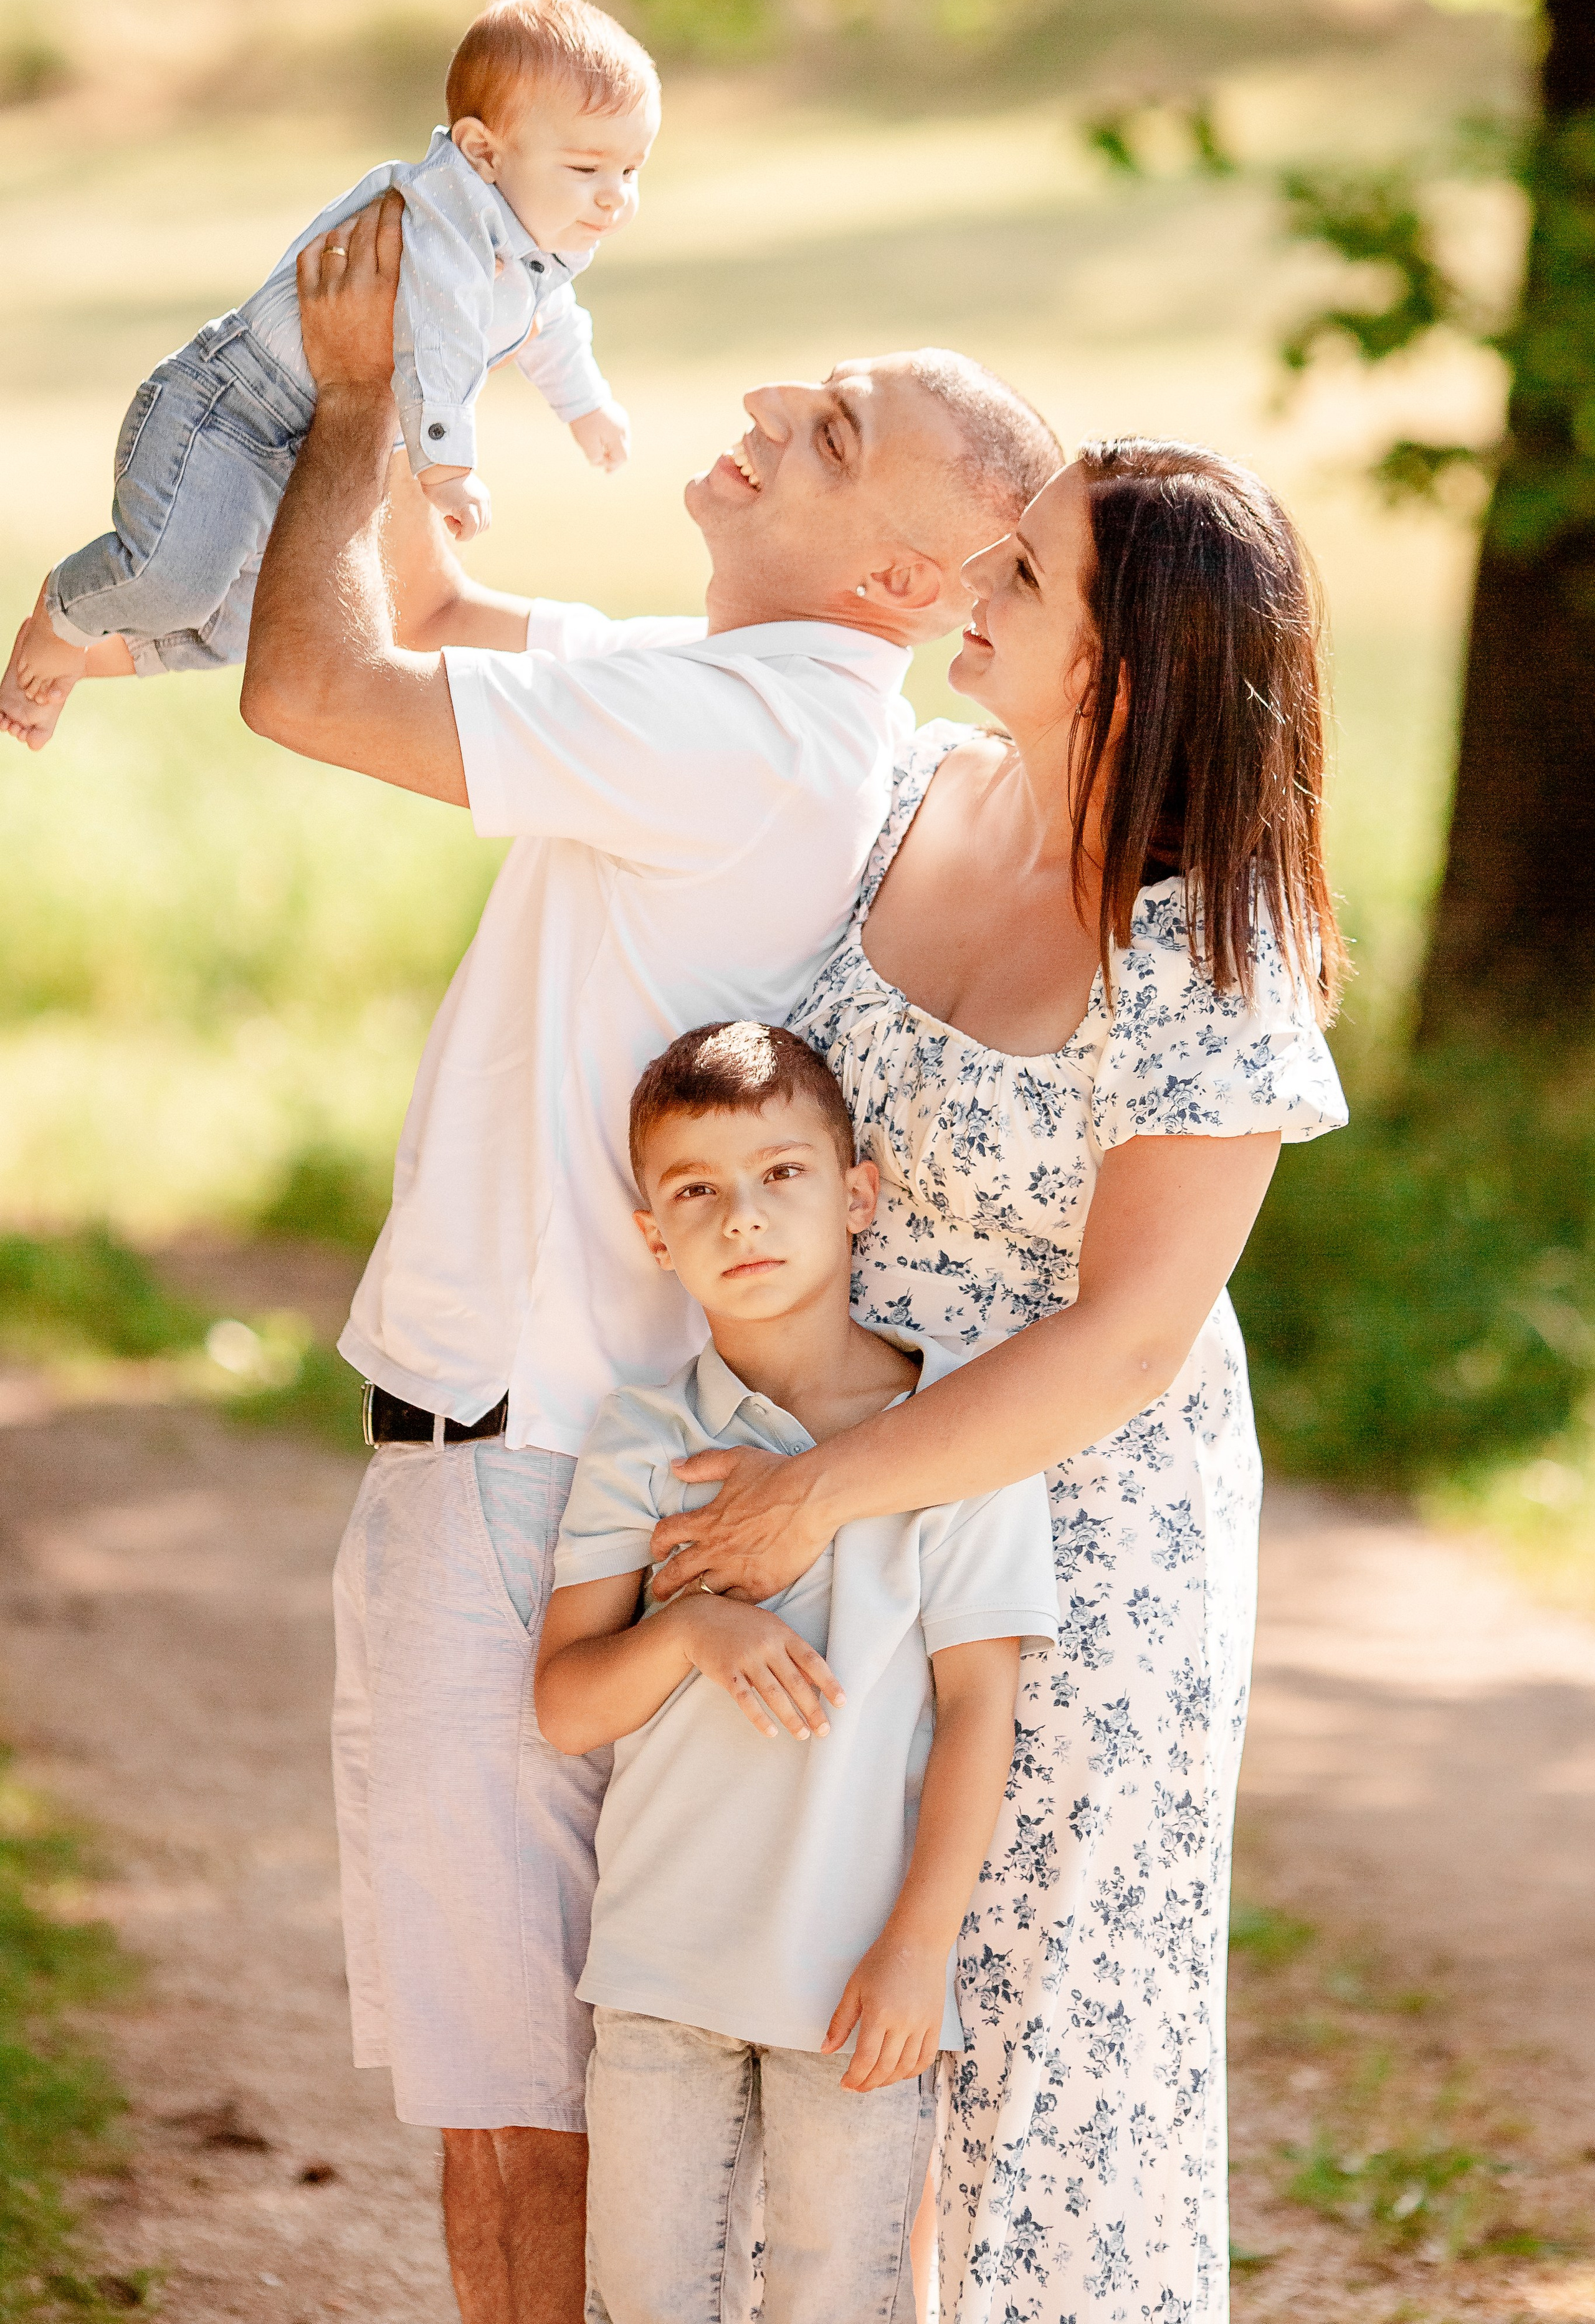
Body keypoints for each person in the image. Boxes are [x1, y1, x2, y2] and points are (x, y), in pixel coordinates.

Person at [227, 194, 1062, 2324]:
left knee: (525, 2092)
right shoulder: (753, 704)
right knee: (648, 2061)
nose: (773, 400)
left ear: (897, 572)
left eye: (836, 419)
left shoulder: (738, 733)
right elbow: (437, 603)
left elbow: (317, 682)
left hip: (517, 1467)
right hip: (610, 1458)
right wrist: (440, 382)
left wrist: (335, 401)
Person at [647, 444, 1351, 2320]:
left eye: (1023, 572)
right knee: (811, 2006)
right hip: (841, 1490)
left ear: (1127, 660)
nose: (977, 574)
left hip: (1079, 1544)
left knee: (1045, 2054)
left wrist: (818, 1491)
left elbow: (1123, 1338)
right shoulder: (916, 798)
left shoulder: (1212, 940)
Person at [536, 1020, 1059, 2324]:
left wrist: (919, 1948)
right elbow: (561, 1704)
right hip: (660, 1969)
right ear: (653, 1235)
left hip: (857, 1983)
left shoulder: (949, 1439)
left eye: (782, 1174)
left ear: (858, 1191)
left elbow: (980, 1710)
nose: (741, 1218)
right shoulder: (643, 1437)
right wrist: (686, 1630)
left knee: (845, 2305)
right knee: (646, 2304)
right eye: (695, 1192)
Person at [0, 0, 652, 749]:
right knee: (172, 582)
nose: (614, 200)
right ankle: (64, 614)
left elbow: (550, 323)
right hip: (234, 414)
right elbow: (437, 338)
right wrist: (446, 467)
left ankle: (80, 657)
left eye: (632, 171)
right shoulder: (442, 219)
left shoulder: (538, 241)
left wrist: (585, 406)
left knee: (263, 619)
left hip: (306, 454)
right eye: (587, 169)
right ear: (483, 152)